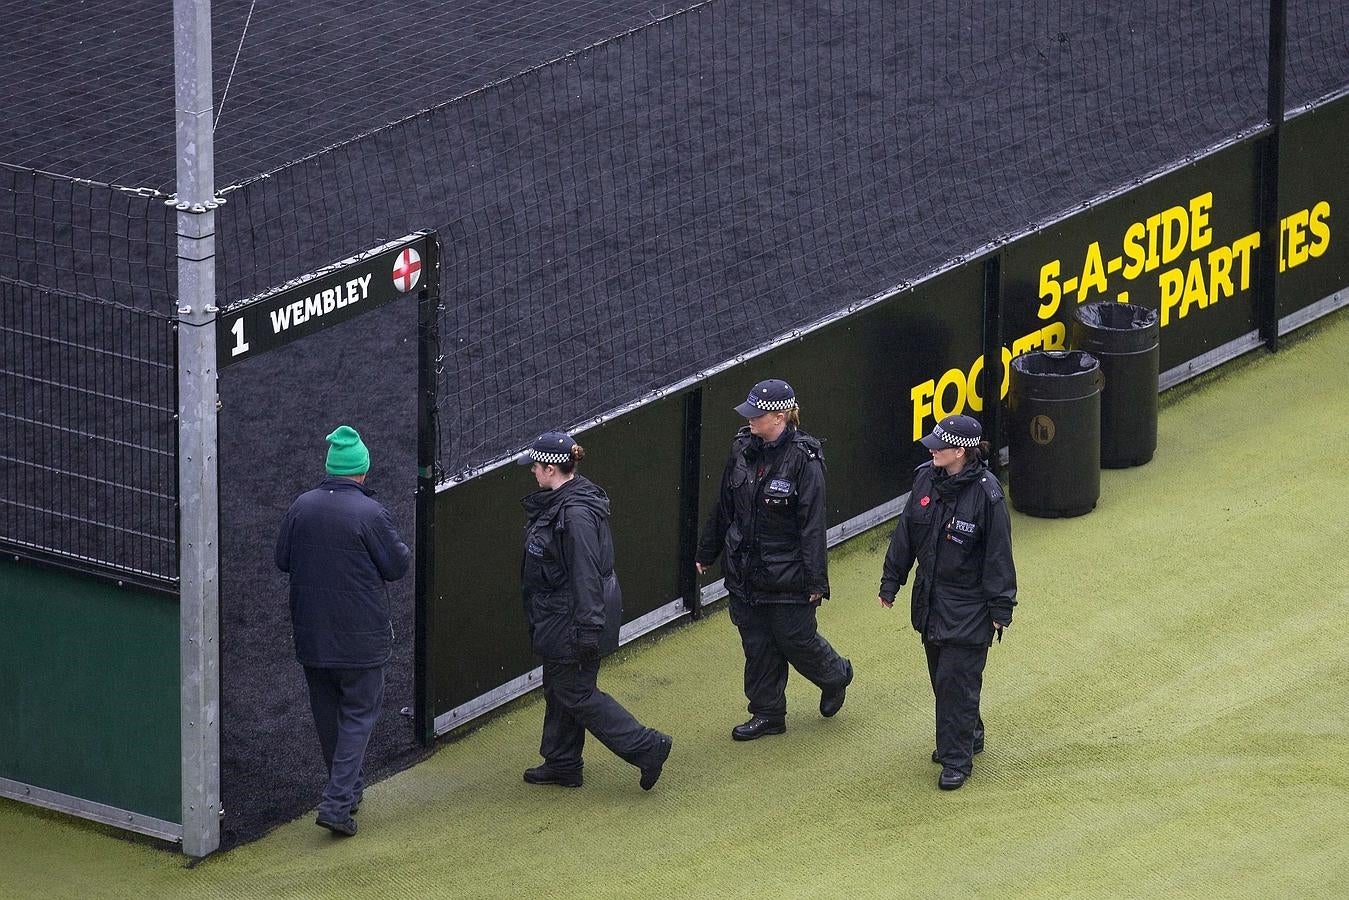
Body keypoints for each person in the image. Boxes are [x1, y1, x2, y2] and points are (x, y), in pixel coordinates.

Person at [695, 379, 853, 741]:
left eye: (757, 414)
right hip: (745, 570)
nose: (749, 419)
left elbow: (812, 525)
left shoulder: (805, 460)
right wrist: (707, 552)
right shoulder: (740, 448)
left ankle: (835, 676)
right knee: (757, 642)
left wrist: (816, 582)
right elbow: (724, 506)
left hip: (789, 575)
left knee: (795, 638)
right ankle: (767, 713)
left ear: (779, 417)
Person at [517, 431, 673, 791]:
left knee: (576, 691)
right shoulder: (571, 500)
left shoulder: (574, 516)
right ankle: (562, 762)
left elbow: (586, 574)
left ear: (551, 470)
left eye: (536, 467)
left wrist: (588, 629)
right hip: (564, 614)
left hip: (573, 616)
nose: (532, 473)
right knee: (560, 685)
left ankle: (647, 747)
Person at [275, 425, 410, 836]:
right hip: (362, 641)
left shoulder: (301, 506)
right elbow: (397, 566)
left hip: (313, 638)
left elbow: (282, 559)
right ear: (362, 471)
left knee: (328, 716)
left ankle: (347, 793)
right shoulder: (371, 514)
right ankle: (336, 803)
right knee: (357, 717)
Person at [878, 414, 1017, 791]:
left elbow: (998, 555)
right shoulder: (926, 477)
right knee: (944, 679)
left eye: (939, 445)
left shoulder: (988, 495)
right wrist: (891, 581)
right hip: (931, 603)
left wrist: (1001, 609)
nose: (932, 449)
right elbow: (906, 531)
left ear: (961, 452)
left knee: (956, 682)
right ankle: (968, 732)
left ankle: (956, 759)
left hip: (970, 607)